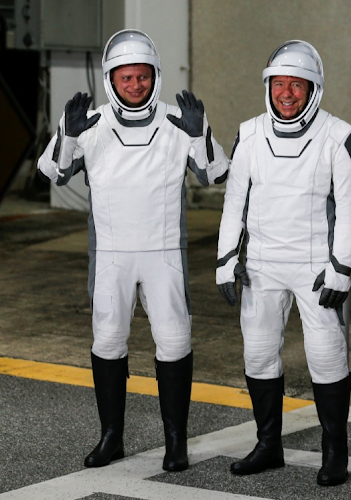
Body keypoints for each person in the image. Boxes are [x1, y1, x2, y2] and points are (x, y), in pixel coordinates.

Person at [37, 29, 229, 472]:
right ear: (111, 79)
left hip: (164, 253)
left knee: (175, 341)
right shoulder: (89, 121)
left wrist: (200, 135)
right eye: (126, 78)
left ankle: (175, 443)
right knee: (107, 341)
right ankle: (111, 438)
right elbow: (54, 173)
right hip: (111, 254)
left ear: (155, 77)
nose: (135, 86)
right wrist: (68, 135)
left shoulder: (179, 120)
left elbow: (214, 174)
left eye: (142, 77)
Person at [216, 40, 351, 487]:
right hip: (261, 263)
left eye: (296, 85)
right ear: (268, 86)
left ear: (313, 89)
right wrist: (226, 260)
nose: (286, 93)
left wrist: (341, 267)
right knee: (259, 354)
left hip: (316, 265)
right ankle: (268, 446)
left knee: (326, 356)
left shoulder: (340, 136)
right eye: (279, 83)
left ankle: (334, 453)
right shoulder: (249, 132)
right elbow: (233, 202)